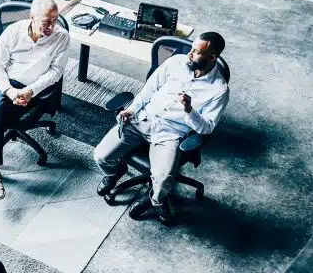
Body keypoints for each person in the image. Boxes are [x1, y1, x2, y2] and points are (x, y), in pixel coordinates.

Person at [93, 32, 230, 224]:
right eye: (191, 48)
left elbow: (206, 128)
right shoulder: (176, 62)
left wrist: (189, 110)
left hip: (170, 133)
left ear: (212, 57)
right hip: (143, 119)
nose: (189, 54)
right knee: (101, 156)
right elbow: (148, 89)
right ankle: (114, 172)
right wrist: (131, 110)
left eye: (196, 52)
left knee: (164, 179)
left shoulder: (219, 90)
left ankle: (153, 199)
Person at [0, 0, 70, 200]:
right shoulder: (14, 31)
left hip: (33, 88)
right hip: (2, 82)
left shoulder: (61, 37)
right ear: (32, 17)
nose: (51, 26)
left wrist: (31, 90)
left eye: (55, 20)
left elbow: (56, 73)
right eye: (46, 21)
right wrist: (9, 91)